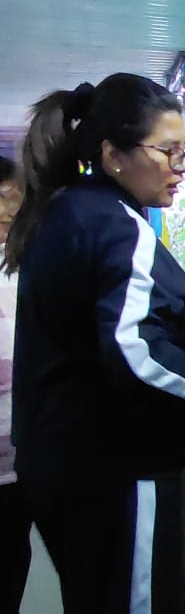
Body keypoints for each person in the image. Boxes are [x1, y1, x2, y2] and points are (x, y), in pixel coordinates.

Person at [4, 74, 185, 613]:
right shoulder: (114, 226)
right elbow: (134, 352)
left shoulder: (67, 211)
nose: (182, 166)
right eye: (168, 151)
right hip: (116, 470)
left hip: (64, 465)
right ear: (113, 155)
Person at [0, 156, 27, 614]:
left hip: (28, 451)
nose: (7, 208)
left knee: (11, 555)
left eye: (12, 197)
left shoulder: (31, 264)